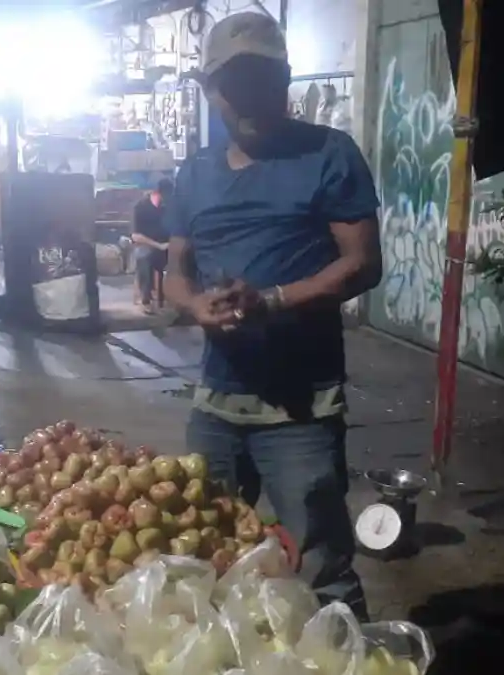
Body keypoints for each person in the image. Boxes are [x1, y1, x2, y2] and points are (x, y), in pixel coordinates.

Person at [162, 12, 383, 620]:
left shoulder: (328, 154)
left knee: (321, 567)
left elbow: (363, 264)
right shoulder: (195, 174)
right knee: (200, 556)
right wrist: (195, 305)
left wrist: (275, 300)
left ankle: (344, 652)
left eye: (263, 78)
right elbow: (176, 271)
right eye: (234, 83)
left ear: (284, 78)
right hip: (215, 406)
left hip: (300, 412)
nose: (249, 96)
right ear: (211, 91)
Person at [131, 178, 174, 311]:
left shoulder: (169, 207)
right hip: (148, 244)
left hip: (167, 245)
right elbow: (136, 236)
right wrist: (158, 245)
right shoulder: (140, 207)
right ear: (156, 193)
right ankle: (146, 298)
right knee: (143, 255)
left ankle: (182, 296)